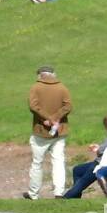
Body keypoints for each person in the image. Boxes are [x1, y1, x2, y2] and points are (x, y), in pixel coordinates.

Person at [24, 64, 71, 199]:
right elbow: (68, 106)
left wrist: (48, 119)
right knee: (58, 161)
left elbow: (34, 106)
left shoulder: (36, 87)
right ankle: (59, 193)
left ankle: (33, 194)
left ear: (40, 75)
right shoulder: (62, 87)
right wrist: (55, 118)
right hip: (59, 130)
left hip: (41, 131)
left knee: (37, 163)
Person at [62, 115, 107, 199]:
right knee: (77, 170)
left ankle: (66, 197)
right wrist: (99, 146)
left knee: (82, 184)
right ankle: (75, 197)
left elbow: (102, 150)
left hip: (100, 164)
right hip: (101, 162)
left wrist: (97, 148)